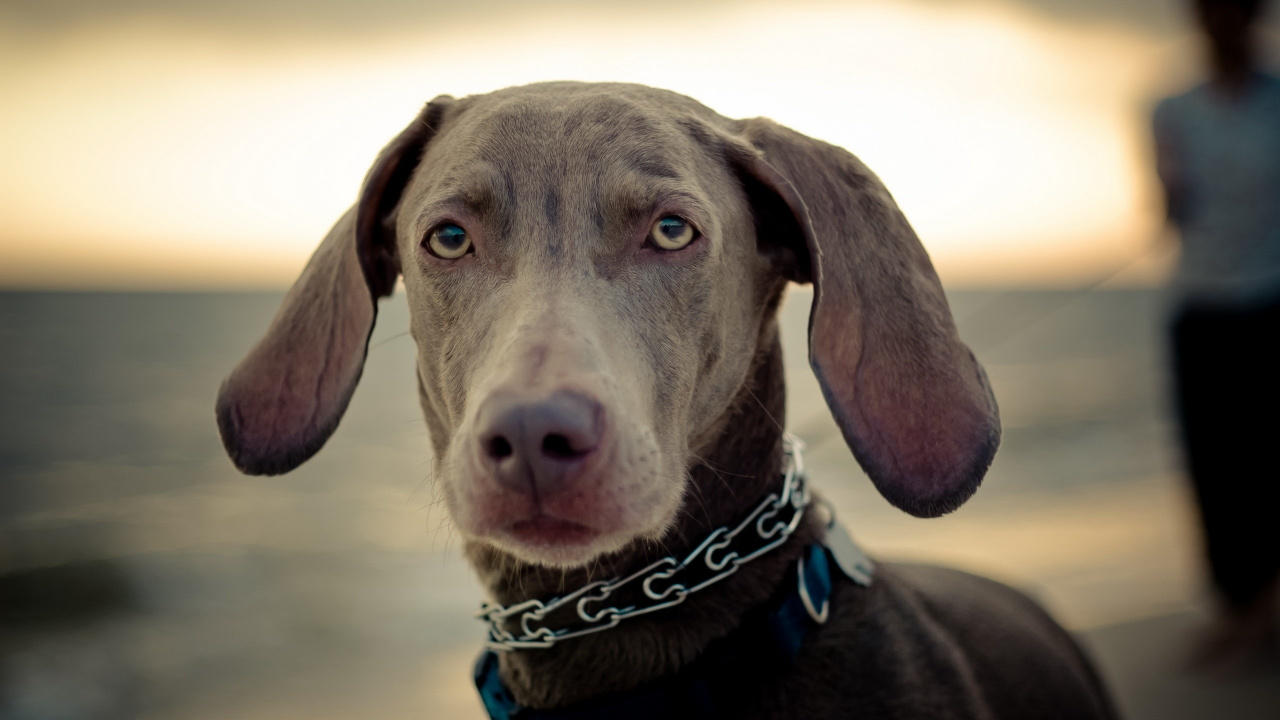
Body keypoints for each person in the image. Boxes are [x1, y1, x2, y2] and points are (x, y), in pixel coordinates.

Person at [1153, 0, 1280, 666]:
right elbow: (1170, 207)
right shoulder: (1170, 110)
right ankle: (1237, 607)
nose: (1221, 23)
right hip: (1201, 306)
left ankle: (1264, 607)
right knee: (1214, 463)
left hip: (1271, 301)